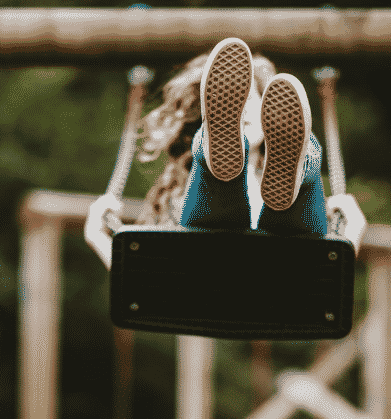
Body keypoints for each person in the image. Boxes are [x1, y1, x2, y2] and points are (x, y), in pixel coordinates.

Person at [85, 37, 366, 269]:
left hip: (270, 277)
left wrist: (98, 236)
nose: (241, 109)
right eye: (232, 103)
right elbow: (329, 277)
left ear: (272, 112)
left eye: (247, 100)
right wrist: (352, 233)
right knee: (216, 198)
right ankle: (223, 169)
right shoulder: (176, 195)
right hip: (279, 287)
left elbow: (142, 286)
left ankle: (293, 173)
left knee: (289, 197)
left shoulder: (176, 195)